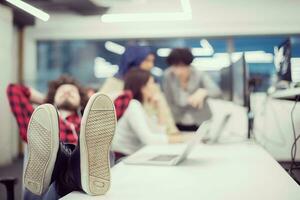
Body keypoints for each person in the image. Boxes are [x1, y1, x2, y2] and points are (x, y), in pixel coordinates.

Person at [6, 75, 116, 199]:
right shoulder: (39, 120)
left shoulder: (91, 121)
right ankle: (69, 167)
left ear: (81, 100)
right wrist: (46, 101)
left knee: (105, 151)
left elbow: (123, 98)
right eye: (62, 91)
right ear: (53, 97)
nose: (67, 92)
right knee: (60, 157)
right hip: (49, 191)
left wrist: (90, 100)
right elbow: (13, 90)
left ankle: (80, 164)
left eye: (72, 92)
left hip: (81, 182)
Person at [100, 44, 179, 135]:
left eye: (152, 61)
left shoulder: (151, 83)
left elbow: (164, 110)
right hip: (122, 136)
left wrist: (173, 131)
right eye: (146, 61)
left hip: (150, 135)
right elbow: (100, 109)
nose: (150, 65)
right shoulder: (115, 82)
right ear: (133, 61)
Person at [112, 68, 193, 157]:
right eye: (152, 83)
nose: (155, 86)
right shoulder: (133, 106)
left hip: (133, 157)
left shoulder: (140, 106)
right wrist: (182, 138)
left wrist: (160, 107)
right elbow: (149, 140)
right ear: (143, 88)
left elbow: (159, 134)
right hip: (123, 159)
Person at [163, 48, 222, 131]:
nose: (178, 71)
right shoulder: (168, 75)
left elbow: (217, 92)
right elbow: (168, 100)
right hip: (178, 120)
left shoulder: (199, 74)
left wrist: (203, 92)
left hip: (200, 121)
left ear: (189, 65)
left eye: (182, 66)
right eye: (175, 66)